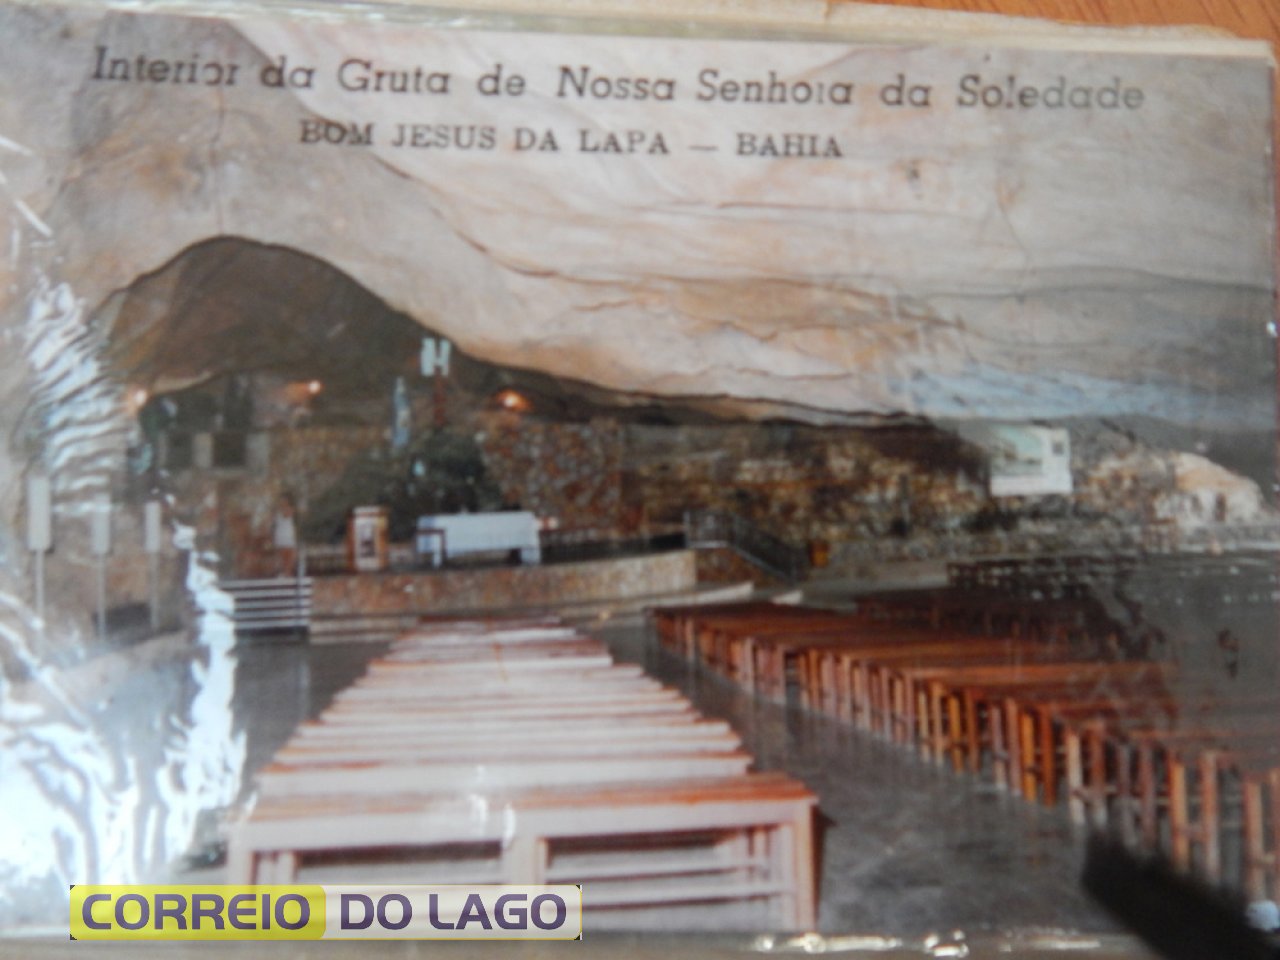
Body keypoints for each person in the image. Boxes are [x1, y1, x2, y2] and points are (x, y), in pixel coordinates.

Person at [273, 493, 298, 577]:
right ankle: (284, 574)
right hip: (282, 536)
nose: (283, 502)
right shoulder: (278, 512)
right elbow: (285, 515)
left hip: (289, 536)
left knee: (290, 558)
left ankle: (288, 574)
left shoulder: (289, 510)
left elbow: (290, 515)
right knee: (284, 558)